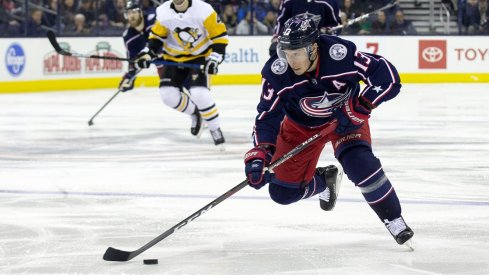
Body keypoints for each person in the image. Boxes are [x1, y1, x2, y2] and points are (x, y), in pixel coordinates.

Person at [244, 14, 414, 246]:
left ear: (313, 48)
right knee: (282, 194)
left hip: (346, 120)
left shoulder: (340, 54)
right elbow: (266, 116)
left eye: (297, 53)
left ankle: (393, 218)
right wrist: (261, 154)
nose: (291, 60)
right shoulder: (277, 72)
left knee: (361, 166)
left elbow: (388, 77)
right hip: (299, 127)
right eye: (287, 53)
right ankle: (325, 181)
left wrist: (363, 105)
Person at [134, 0, 228, 147]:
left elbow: (219, 37)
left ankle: (215, 128)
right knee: (167, 96)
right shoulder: (163, 11)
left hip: (200, 56)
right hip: (173, 57)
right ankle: (195, 113)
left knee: (199, 94)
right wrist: (147, 54)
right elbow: (156, 38)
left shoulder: (204, 10)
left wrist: (215, 58)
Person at [269, 0, 342, 56]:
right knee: (274, 50)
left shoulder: (329, 2)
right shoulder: (289, 1)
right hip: (293, 44)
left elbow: (336, 25)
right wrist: (276, 37)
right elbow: (281, 21)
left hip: (319, 44)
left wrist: (328, 31)